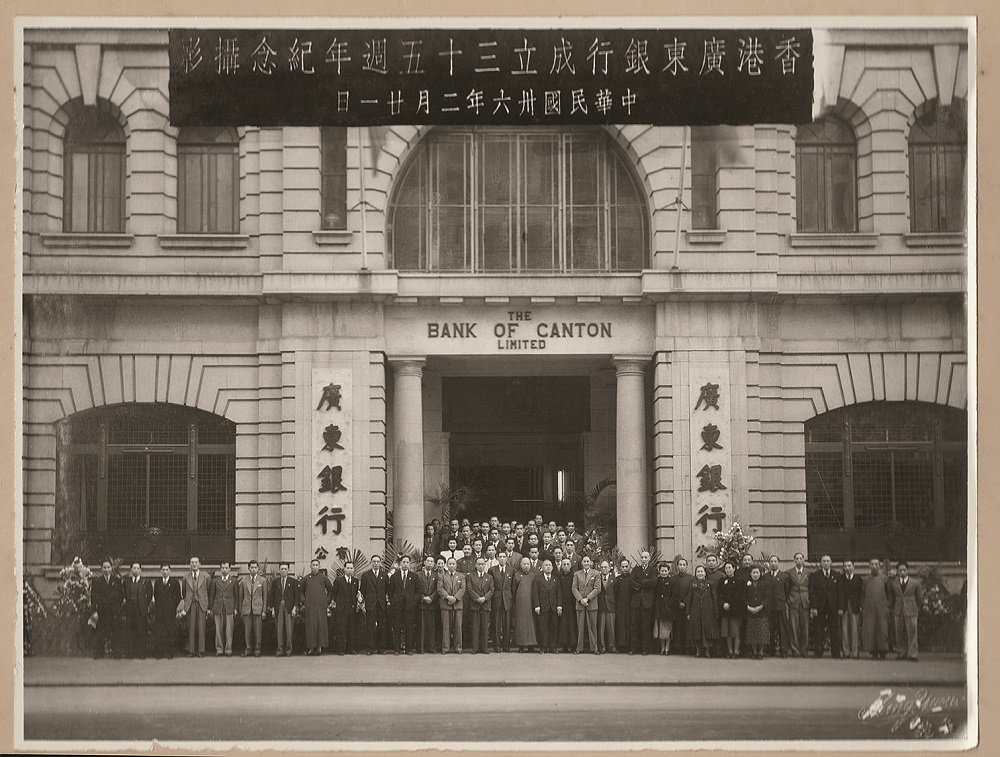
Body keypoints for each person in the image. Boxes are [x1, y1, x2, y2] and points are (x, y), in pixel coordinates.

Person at [888, 561, 923, 661]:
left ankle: (912, 654)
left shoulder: (915, 583)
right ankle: (901, 653)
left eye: (904, 570)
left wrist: (916, 607)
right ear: (897, 571)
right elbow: (891, 597)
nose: (902, 572)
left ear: (908, 570)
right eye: (900, 570)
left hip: (911, 609)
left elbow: (919, 598)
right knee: (899, 632)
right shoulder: (894, 583)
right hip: (898, 609)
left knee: (912, 632)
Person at [809, 554, 842, 659]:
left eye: (828, 561)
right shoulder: (815, 575)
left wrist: (840, 608)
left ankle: (835, 652)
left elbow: (840, 593)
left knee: (834, 630)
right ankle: (818, 652)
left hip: (833, 606)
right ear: (821, 563)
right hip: (820, 606)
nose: (826, 563)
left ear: (831, 563)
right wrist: (813, 607)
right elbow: (812, 592)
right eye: (824, 561)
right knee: (819, 630)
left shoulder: (837, 575)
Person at [90, 559, 124, 659]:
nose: (106, 569)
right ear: (101, 569)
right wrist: (94, 611)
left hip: (113, 611)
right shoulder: (96, 582)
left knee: (115, 632)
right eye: (104, 567)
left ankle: (116, 653)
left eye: (108, 567)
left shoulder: (116, 581)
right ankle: (99, 653)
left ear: (111, 568)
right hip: (101, 611)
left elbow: (120, 596)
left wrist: (117, 608)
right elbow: (93, 598)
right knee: (100, 632)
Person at [299, 559, 334, 656]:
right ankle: (311, 647)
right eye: (313, 565)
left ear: (319, 566)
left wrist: (327, 601)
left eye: (316, 565)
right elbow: (300, 591)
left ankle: (319, 647)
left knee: (320, 626)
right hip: (310, 607)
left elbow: (331, 590)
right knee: (311, 627)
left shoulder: (323, 578)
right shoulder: (306, 578)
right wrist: (304, 601)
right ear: (310, 566)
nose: (315, 567)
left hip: (321, 606)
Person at [685, 565, 720, 658]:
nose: (700, 574)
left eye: (702, 572)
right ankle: (698, 650)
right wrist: (688, 612)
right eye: (698, 572)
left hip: (708, 611)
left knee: (707, 630)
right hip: (695, 611)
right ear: (695, 574)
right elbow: (689, 599)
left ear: (705, 573)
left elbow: (714, 599)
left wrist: (716, 612)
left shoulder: (710, 584)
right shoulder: (692, 584)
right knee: (696, 630)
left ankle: (707, 651)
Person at [180, 556, 211, 657]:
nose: (194, 564)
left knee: (201, 628)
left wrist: (208, 607)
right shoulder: (185, 577)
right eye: (192, 562)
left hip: (202, 604)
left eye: (196, 562)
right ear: (189, 564)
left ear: (199, 564)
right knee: (191, 628)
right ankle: (191, 651)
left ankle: (201, 651)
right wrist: (187, 602)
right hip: (190, 604)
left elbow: (209, 591)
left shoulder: (206, 577)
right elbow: (184, 592)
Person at [861, 558, 891, 659]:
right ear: (869, 566)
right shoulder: (865, 580)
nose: (874, 566)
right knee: (871, 629)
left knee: (882, 629)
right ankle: (873, 652)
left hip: (882, 608)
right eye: (872, 564)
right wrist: (863, 605)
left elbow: (889, 593)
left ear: (880, 566)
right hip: (869, 608)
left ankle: (883, 652)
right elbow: (862, 593)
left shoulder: (885, 579)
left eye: (876, 564)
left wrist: (888, 604)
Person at [361, 554, 391, 655]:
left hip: (381, 604)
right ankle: (370, 648)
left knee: (382, 626)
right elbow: (363, 590)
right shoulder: (366, 575)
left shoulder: (384, 575)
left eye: (378, 561)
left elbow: (387, 589)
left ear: (381, 563)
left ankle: (381, 648)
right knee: (370, 626)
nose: (376, 564)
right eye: (374, 561)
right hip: (371, 604)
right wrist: (369, 599)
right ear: (371, 563)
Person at [237, 560, 268, 657]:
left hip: (257, 609)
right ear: (248, 568)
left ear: (258, 568)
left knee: (258, 631)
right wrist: (240, 610)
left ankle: (257, 649)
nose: (253, 569)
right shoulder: (243, 581)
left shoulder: (263, 581)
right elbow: (240, 597)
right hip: (246, 609)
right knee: (247, 631)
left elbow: (265, 597)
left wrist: (264, 611)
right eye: (252, 567)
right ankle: (248, 648)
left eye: (255, 567)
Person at [762, 555, 791, 658]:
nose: (773, 563)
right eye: (771, 561)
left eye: (775, 561)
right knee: (770, 629)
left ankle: (784, 651)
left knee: (782, 629)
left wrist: (783, 601)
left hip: (780, 605)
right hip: (769, 606)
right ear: (769, 563)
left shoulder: (784, 576)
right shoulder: (765, 576)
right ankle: (771, 650)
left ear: (779, 563)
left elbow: (787, 591)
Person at [389, 555, 418, 655]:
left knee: (409, 627)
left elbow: (418, 591)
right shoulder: (394, 577)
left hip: (409, 606)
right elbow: (390, 591)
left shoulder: (414, 576)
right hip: (397, 606)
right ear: (400, 563)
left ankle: (409, 649)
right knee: (396, 627)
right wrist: (393, 601)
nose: (405, 564)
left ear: (409, 564)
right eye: (403, 562)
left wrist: (414, 601)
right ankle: (397, 649)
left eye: (407, 562)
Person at [151, 564, 181, 659]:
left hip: (170, 611)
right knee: (159, 632)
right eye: (163, 570)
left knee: (170, 632)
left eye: (166, 569)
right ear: (160, 571)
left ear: (170, 571)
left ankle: (169, 653)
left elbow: (178, 597)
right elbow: (156, 595)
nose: (165, 571)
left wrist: (172, 607)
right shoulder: (157, 582)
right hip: (160, 611)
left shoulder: (175, 582)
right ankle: (160, 653)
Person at [532, 558, 562, 653]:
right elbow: (535, 593)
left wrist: (559, 606)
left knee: (554, 627)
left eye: (549, 565)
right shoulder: (538, 579)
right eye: (546, 565)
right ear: (542, 567)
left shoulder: (555, 579)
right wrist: (537, 606)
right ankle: (543, 647)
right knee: (543, 627)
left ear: (552, 568)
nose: (548, 567)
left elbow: (559, 593)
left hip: (553, 607)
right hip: (542, 607)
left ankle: (552, 646)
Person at [630, 550, 657, 655]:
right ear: (640, 559)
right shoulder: (636, 569)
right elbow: (631, 582)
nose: (644, 559)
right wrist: (643, 584)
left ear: (649, 559)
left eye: (646, 557)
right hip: (636, 602)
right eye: (642, 557)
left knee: (646, 626)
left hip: (647, 602)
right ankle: (633, 648)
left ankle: (646, 648)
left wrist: (640, 582)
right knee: (634, 626)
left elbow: (654, 582)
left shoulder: (653, 570)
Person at [572, 556, 601, 654]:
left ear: (591, 563)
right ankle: (579, 648)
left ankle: (594, 648)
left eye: (588, 561)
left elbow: (597, 588)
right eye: (584, 561)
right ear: (582, 563)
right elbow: (574, 588)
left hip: (591, 603)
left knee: (592, 626)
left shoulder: (596, 573)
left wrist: (588, 598)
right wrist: (581, 600)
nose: (586, 563)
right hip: (580, 604)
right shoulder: (577, 574)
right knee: (580, 626)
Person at [438, 557, 466, 654]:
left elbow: (463, 589)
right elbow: (440, 588)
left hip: (458, 605)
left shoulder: (461, 576)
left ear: (456, 565)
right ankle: (445, 648)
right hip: (446, 605)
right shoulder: (442, 576)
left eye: (453, 564)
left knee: (458, 627)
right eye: (450, 564)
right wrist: (448, 597)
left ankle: (458, 648)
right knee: (446, 627)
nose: (451, 565)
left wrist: (455, 597)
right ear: (447, 565)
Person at [208, 561, 238, 657]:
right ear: (220, 569)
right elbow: (212, 595)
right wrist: (211, 608)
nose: (224, 570)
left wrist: (236, 608)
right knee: (218, 629)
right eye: (223, 568)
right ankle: (219, 649)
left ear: (229, 569)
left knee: (229, 629)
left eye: (226, 568)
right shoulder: (215, 581)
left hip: (229, 607)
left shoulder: (234, 581)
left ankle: (228, 649)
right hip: (218, 607)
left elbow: (236, 596)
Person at [466, 556, 495, 654]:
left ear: (485, 565)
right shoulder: (471, 576)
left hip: (485, 604)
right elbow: (469, 589)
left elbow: (491, 590)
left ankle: (484, 648)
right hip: (475, 604)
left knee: (484, 627)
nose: (481, 566)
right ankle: (475, 648)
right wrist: (477, 598)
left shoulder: (489, 577)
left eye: (482, 564)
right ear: (475, 565)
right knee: (475, 627)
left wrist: (484, 598)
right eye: (479, 564)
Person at [269, 562, 299, 656]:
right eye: (281, 569)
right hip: (278, 607)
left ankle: (289, 649)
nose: (283, 571)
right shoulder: (275, 582)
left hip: (289, 607)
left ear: (289, 570)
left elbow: (297, 596)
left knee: (289, 630)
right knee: (279, 629)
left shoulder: (293, 581)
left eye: (285, 569)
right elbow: (272, 596)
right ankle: (280, 649)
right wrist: (272, 608)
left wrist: (295, 608)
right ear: (279, 570)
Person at [331, 561, 360, 655]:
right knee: (341, 629)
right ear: (344, 569)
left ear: (353, 569)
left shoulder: (355, 581)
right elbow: (334, 595)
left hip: (351, 608)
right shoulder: (338, 581)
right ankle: (340, 649)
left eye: (351, 568)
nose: (349, 570)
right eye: (348, 568)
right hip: (341, 608)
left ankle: (350, 649)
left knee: (351, 629)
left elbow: (355, 594)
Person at [489, 551, 515, 652]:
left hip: (507, 599)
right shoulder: (492, 570)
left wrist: (511, 599)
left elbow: (513, 587)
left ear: (507, 558)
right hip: (496, 598)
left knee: (507, 624)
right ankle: (497, 645)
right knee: (496, 623)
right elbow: (490, 586)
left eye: (504, 557)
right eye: (500, 557)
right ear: (497, 558)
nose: (502, 559)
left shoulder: (511, 570)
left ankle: (506, 645)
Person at [717, 561, 744, 659]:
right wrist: (723, 603)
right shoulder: (722, 581)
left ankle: (736, 651)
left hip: (735, 611)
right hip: (725, 610)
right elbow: (719, 595)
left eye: (730, 568)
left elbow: (740, 597)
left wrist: (731, 605)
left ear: (734, 568)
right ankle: (730, 651)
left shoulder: (739, 581)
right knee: (727, 632)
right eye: (726, 568)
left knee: (735, 632)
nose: (728, 570)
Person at [512, 557, 538, 652]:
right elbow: (514, 590)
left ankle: (531, 645)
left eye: (528, 564)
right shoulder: (517, 576)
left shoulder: (533, 576)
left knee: (531, 623)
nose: (526, 566)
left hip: (531, 602)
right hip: (520, 603)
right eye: (524, 564)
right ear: (521, 565)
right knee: (521, 624)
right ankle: (521, 646)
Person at [787, 552, 810, 658]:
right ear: (794, 561)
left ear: (803, 559)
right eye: (797, 558)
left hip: (805, 601)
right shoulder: (789, 573)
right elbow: (786, 588)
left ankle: (804, 650)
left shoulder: (809, 573)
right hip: (793, 601)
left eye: (801, 558)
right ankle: (795, 650)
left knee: (805, 627)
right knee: (794, 627)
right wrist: (789, 600)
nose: (799, 560)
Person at [839, 559, 863, 659]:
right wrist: (840, 607)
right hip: (843, 606)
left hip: (855, 606)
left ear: (853, 567)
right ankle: (846, 652)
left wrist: (860, 605)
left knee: (855, 630)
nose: (847, 568)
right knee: (844, 630)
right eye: (845, 566)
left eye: (849, 566)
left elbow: (861, 594)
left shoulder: (858, 579)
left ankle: (855, 652)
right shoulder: (840, 579)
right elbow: (838, 594)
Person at [744, 566, 769, 659]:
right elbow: (744, 596)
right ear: (750, 574)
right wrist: (748, 607)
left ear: (760, 574)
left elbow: (767, 596)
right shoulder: (747, 584)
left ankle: (761, 652)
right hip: (750, 611)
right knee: (752, 632)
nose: (755, 575)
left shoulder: (765, 583)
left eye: (757, 573)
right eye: (753, 573)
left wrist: (761, 606)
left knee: (761, 632)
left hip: (762, 611)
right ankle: (754, 652)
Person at [416, 555, 439, 654]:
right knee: (421, 627)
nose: (429, 563)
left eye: (431, 561)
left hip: (432, 603)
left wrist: (431, 598)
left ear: (434, 564)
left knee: (431, 626)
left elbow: (438, 589)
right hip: (421, 603)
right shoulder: (418, 574)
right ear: (424, 563)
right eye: (428, 561)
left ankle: (431, 647)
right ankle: (420, 648)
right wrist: (423, 597)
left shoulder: (437, 575)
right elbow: (415, 588)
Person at [671, 557, 694, 655]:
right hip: (677, 607)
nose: (682, 567)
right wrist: (678, 602)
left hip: (687, 606)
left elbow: (691, 592)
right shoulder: (673, 579)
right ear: (677, 566)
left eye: (684, 565)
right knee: (678, 628)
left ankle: (687, 648)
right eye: (680, 565)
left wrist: (685, 602)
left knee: (687, 628)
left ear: (687, 566)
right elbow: (672, 593)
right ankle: (678, 648)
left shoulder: (691, 578)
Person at [556, 557, 578, 653]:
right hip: (563, 604)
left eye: (567, 564)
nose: (566, 566)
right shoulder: (559, 577)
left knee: (572, 625)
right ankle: (564, 646)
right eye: (564, 564)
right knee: (563, 625)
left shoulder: (574, 576)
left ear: (571, 565)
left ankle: (573, 646)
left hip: (573, 604)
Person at [652, 562, 674, 655]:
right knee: (660, 629)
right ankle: (662, 648)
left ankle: (667, 648)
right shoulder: (657, 581)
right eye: (662, 571)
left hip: (668, 607)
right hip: (659, 606)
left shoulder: (672, 581)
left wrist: (669, 603)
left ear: (668, 571)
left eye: (665, 571)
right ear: (659, 571)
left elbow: (674, 594)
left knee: (667, 629)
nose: (664, 573)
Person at [596, 560, 617, 654]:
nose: (604, 569)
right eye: (602, 567)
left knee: (611, 627)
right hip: (601, 605)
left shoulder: (614, 579)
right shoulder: (597, 578)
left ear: (609, 568)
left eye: (605, 567)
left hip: (611, 605)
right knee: (601, 628)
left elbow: (616, 592)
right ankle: (602, 647)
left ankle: (612, 646)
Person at [615, 558, 633, 653]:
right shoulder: (617, 579)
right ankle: (620, 646)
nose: (625, 568)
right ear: (620, 568)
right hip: (620, 606)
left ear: (629, 567)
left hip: (630, 605)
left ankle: (630, 646)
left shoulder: (632, 578)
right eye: (623, 567)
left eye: (626, 566)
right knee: (620, 625)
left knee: (629, 626)